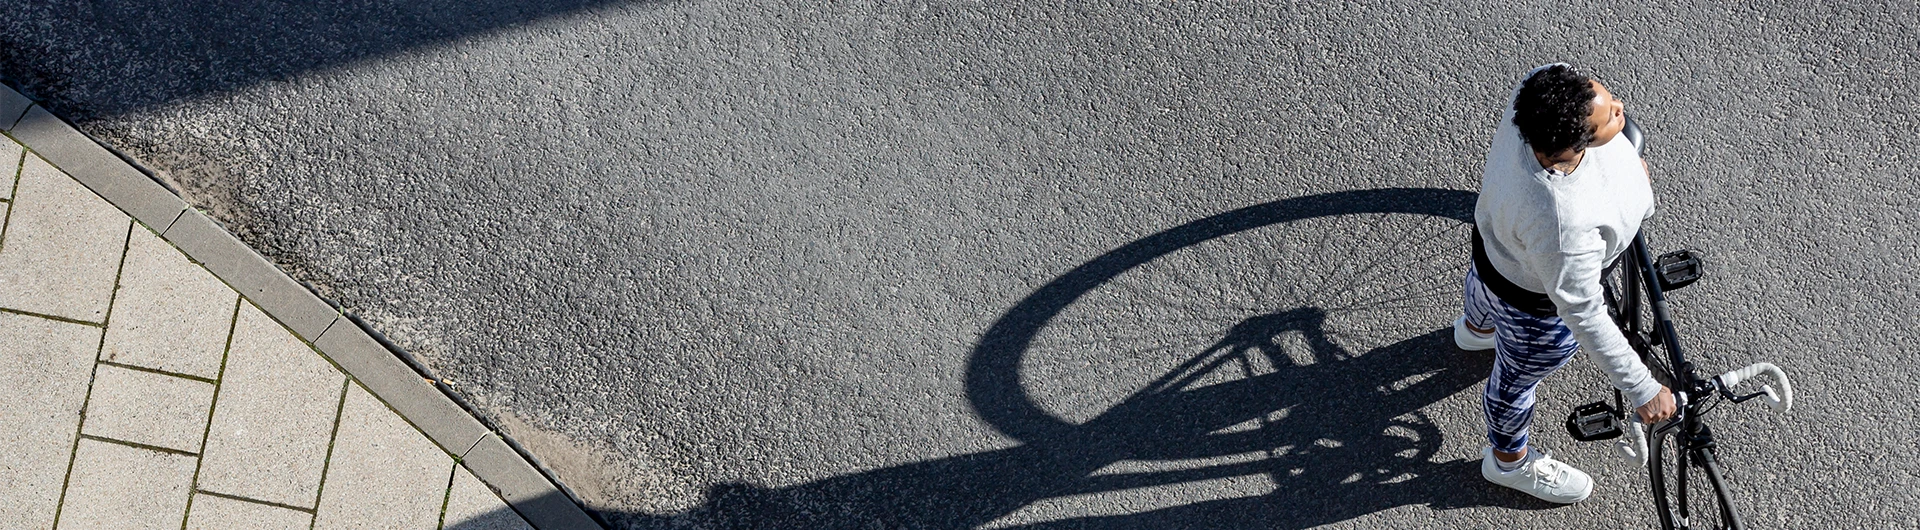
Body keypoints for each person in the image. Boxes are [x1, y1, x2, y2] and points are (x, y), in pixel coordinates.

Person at [1454, 63, 1678, 504]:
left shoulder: (1535, 92)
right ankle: (1508, 462)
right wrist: (1643, 388)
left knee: (1485, 288)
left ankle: (1476, 331)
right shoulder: (1560, 224)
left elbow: (1557, 71)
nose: (1620, 108)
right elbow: (1583, 313)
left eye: (1605, 98)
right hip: (1536, 307)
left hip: (1496, 249)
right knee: (1514, 383)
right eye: (1609, 117)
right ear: (1568, 151)